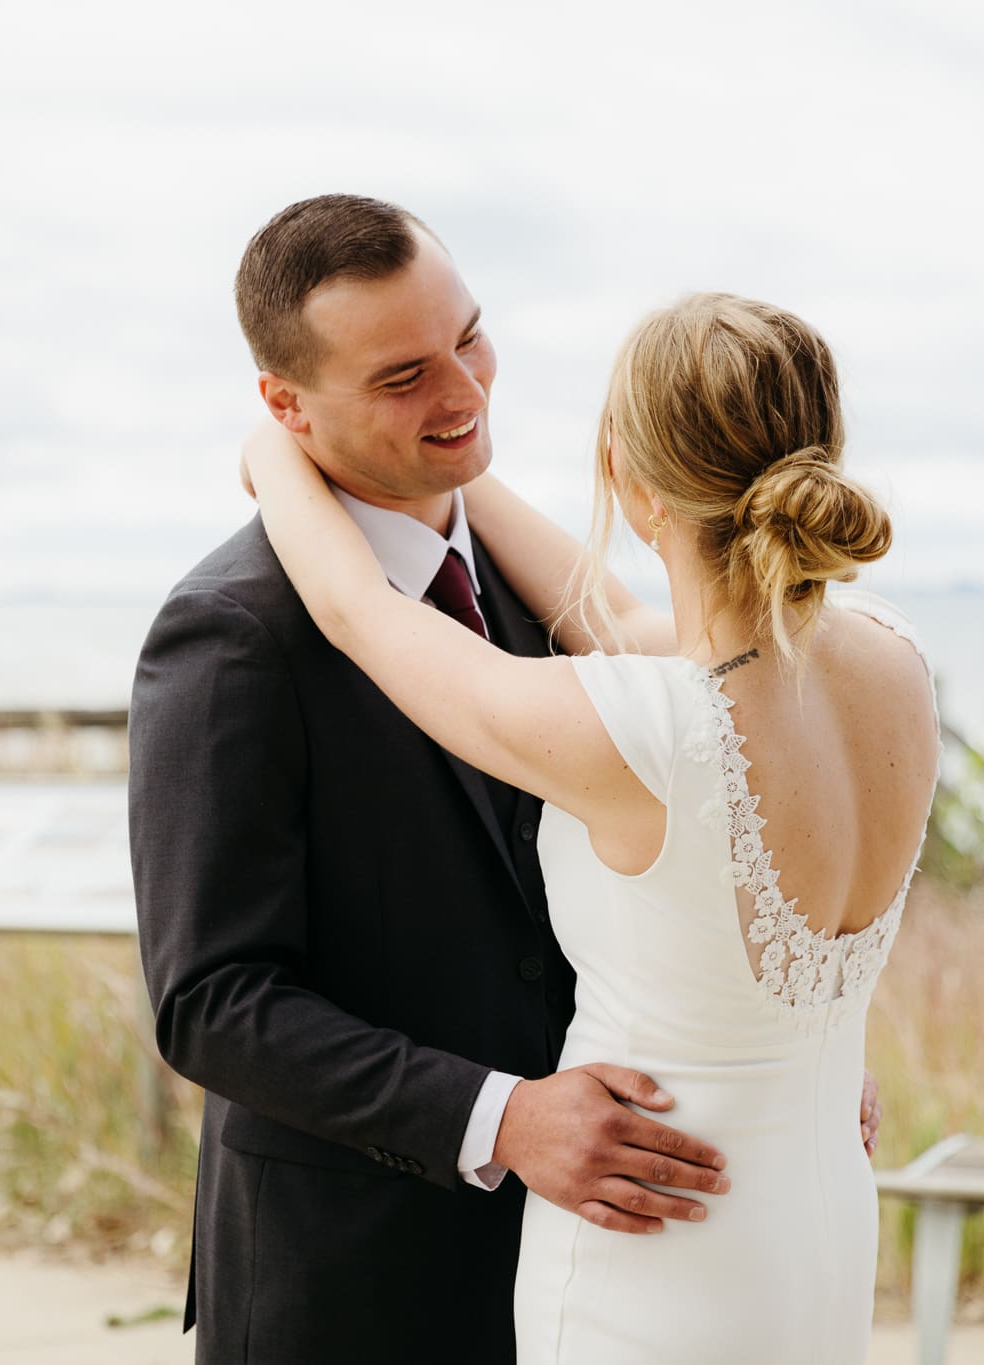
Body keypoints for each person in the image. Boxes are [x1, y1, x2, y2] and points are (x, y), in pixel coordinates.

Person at [129, 195, 884, 1365]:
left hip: (628, 1244)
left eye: (468, 338)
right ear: (287, 403)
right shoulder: (230, 632)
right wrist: (500, 1117)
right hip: (360, 1281)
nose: (464, 392)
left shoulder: (568, 613)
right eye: (401, 377)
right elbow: (211, 1002)